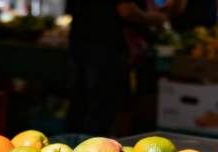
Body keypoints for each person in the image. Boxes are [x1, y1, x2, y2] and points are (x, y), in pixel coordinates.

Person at [66, 1, 168, 135]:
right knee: (101, 106)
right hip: (105, 45)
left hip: (82, 40)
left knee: (81, 102)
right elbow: (126, 10)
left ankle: (76, 143)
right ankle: (94, 146)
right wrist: (153, 18)